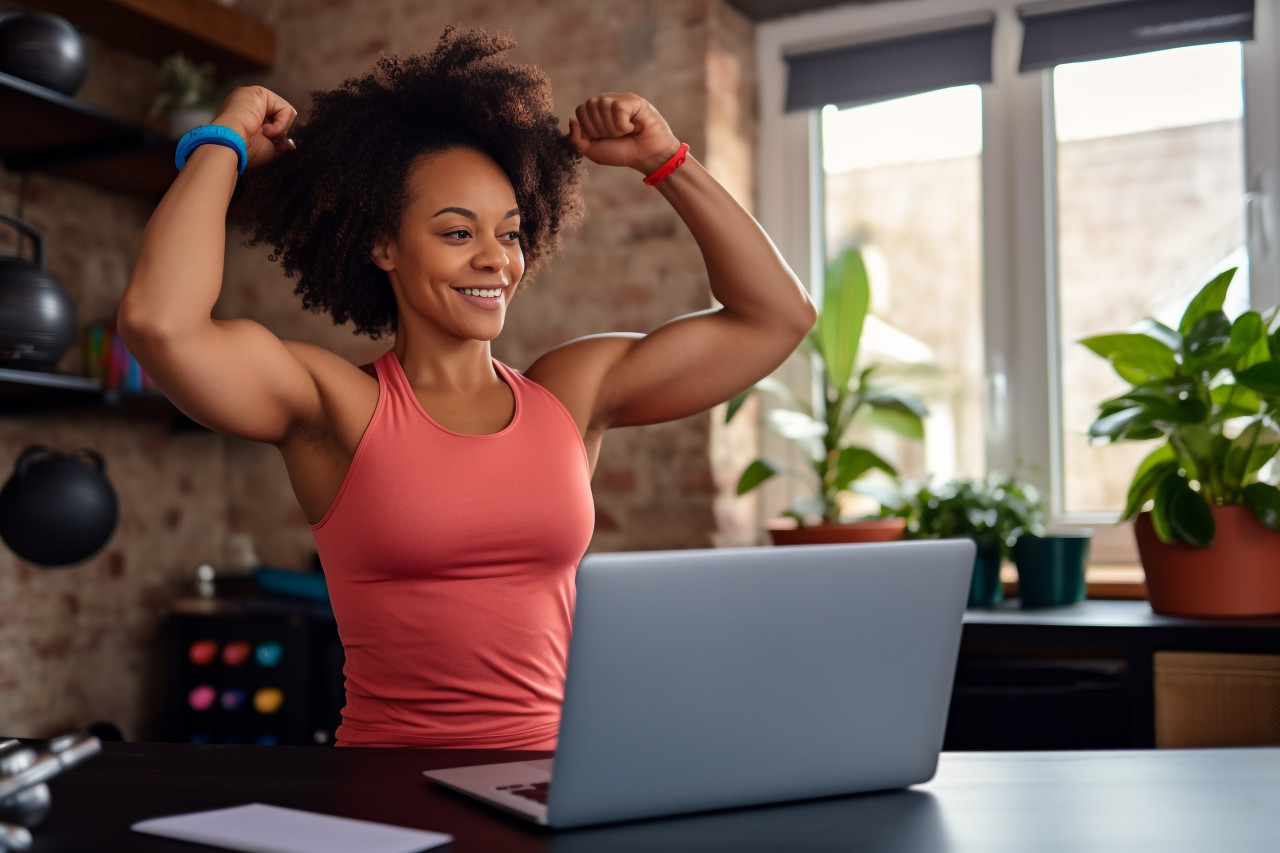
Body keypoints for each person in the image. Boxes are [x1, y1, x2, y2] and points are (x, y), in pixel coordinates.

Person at [118, 27, 815, 750]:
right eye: (458, 234)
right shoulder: (335, 407)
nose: (495, 261)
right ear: (382, 244)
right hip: (391, 788)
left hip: (556, 781)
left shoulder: (571, 395)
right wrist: (221, 143)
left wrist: (665, 161)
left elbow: (777, 317)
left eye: (509, 234)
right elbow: (159, 323)